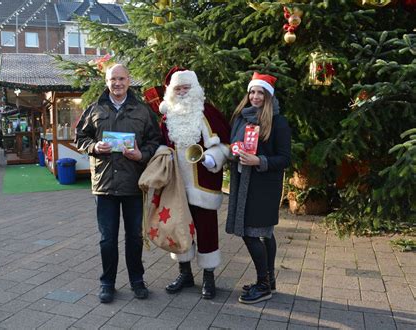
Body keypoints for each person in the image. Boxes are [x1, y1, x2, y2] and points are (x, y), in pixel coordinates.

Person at [75, 64, 162, 304]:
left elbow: (156, 141)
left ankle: (137, 280)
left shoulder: (142, 111)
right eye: (113, 79)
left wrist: (141, 155)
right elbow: (80, 138)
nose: (118, 83)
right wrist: (94, 147)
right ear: (107, 81)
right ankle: (107, 283)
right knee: (107, 238)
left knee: (134, 236)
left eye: (122, 79)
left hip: (134, 184)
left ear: (129, 80)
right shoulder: (95, 109)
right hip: (104, 185)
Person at [158, 68, 230, 299]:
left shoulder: (207, 112)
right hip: (176, 186)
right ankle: (185, 273)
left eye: (185, 88)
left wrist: (213, 157)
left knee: (207, 229)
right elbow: (160, 144)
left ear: (195, 89)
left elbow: (225, 143)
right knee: (180, 229)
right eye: (177, 88)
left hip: (203, 184)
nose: (181, 92)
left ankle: (208, 277)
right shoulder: (167, 117)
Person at [226, 72, 291, 304]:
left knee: (253, 233)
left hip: (263, 187)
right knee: (263, 234)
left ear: (268, 96)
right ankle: (269, 279)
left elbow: (284, 158)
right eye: (252, 92)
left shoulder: (277, 121)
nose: (254, 96)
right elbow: (233, 143)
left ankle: (263, 285)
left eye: (260, 92)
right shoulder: (241, 118)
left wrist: (259, 161)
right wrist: (234, 152)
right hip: (243, 182)